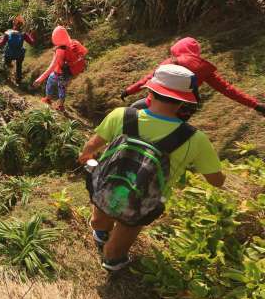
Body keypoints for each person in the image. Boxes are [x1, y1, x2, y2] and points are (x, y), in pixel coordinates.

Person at [79, 64, 225, 271]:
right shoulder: (195, 139)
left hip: (108, 188)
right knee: (115, 250)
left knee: (99, 220)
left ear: (150, 91)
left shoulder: (121, 115)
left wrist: (87, 159)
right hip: (145, 202)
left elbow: (89, 149)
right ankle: (113, 261)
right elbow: (216, 181)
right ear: (185, 100)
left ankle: (101, 234)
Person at [121, 37, 265, 120]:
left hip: (155, 104)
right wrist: (255, 105)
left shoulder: (169, 63)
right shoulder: (203, 69)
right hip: (184, 110)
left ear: (176, 50)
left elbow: (147, 80)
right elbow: (228, 90)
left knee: (132, 111)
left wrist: (128, 91)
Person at [33, 25, 88, 111]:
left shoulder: (60, 51)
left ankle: (48, 98)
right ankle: (61, 106)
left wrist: (40, 79)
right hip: (71, 72)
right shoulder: (75, 42)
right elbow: (84, 52)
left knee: (50, 81)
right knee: (62, 87)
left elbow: (52, 67)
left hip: (60, 72)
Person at [0, 16, 36, 83]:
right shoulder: (23, 34)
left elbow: (1, 44)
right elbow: (32, 43)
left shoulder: (8, 33)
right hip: (19, 54)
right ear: (22, 25)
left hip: (9, 54)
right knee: (19, 66)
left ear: (14, 24)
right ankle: (18, 80)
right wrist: (32, 35)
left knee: (5, 63)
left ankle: (7, 75)